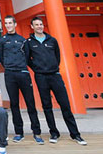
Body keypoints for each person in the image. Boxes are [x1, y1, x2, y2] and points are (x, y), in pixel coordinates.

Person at [27, 16, 87, 145]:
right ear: (32, 27)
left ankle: (75, 134)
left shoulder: (52, 40)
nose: (39, 26)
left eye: (41, 24)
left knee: (65, 104)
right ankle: (54, 132)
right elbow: (28, 59)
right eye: (36, 25)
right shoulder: (29, 42)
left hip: (55, 75)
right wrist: (37, 69)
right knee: (47, 106)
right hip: (41, 77)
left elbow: (57, 56)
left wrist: (53, 67)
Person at [0, 15, 43, 144]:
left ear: (15, 24)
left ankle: (36, 132)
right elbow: (1, 57)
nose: (8, 25)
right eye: (6, 23)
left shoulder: (23, 40)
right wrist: (9, 66)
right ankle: (19, 132)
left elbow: (27, 57)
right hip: (10, 74)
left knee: (30, 103)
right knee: (14, 104)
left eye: (10, 23)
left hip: (23, 73)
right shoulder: (2, 40)